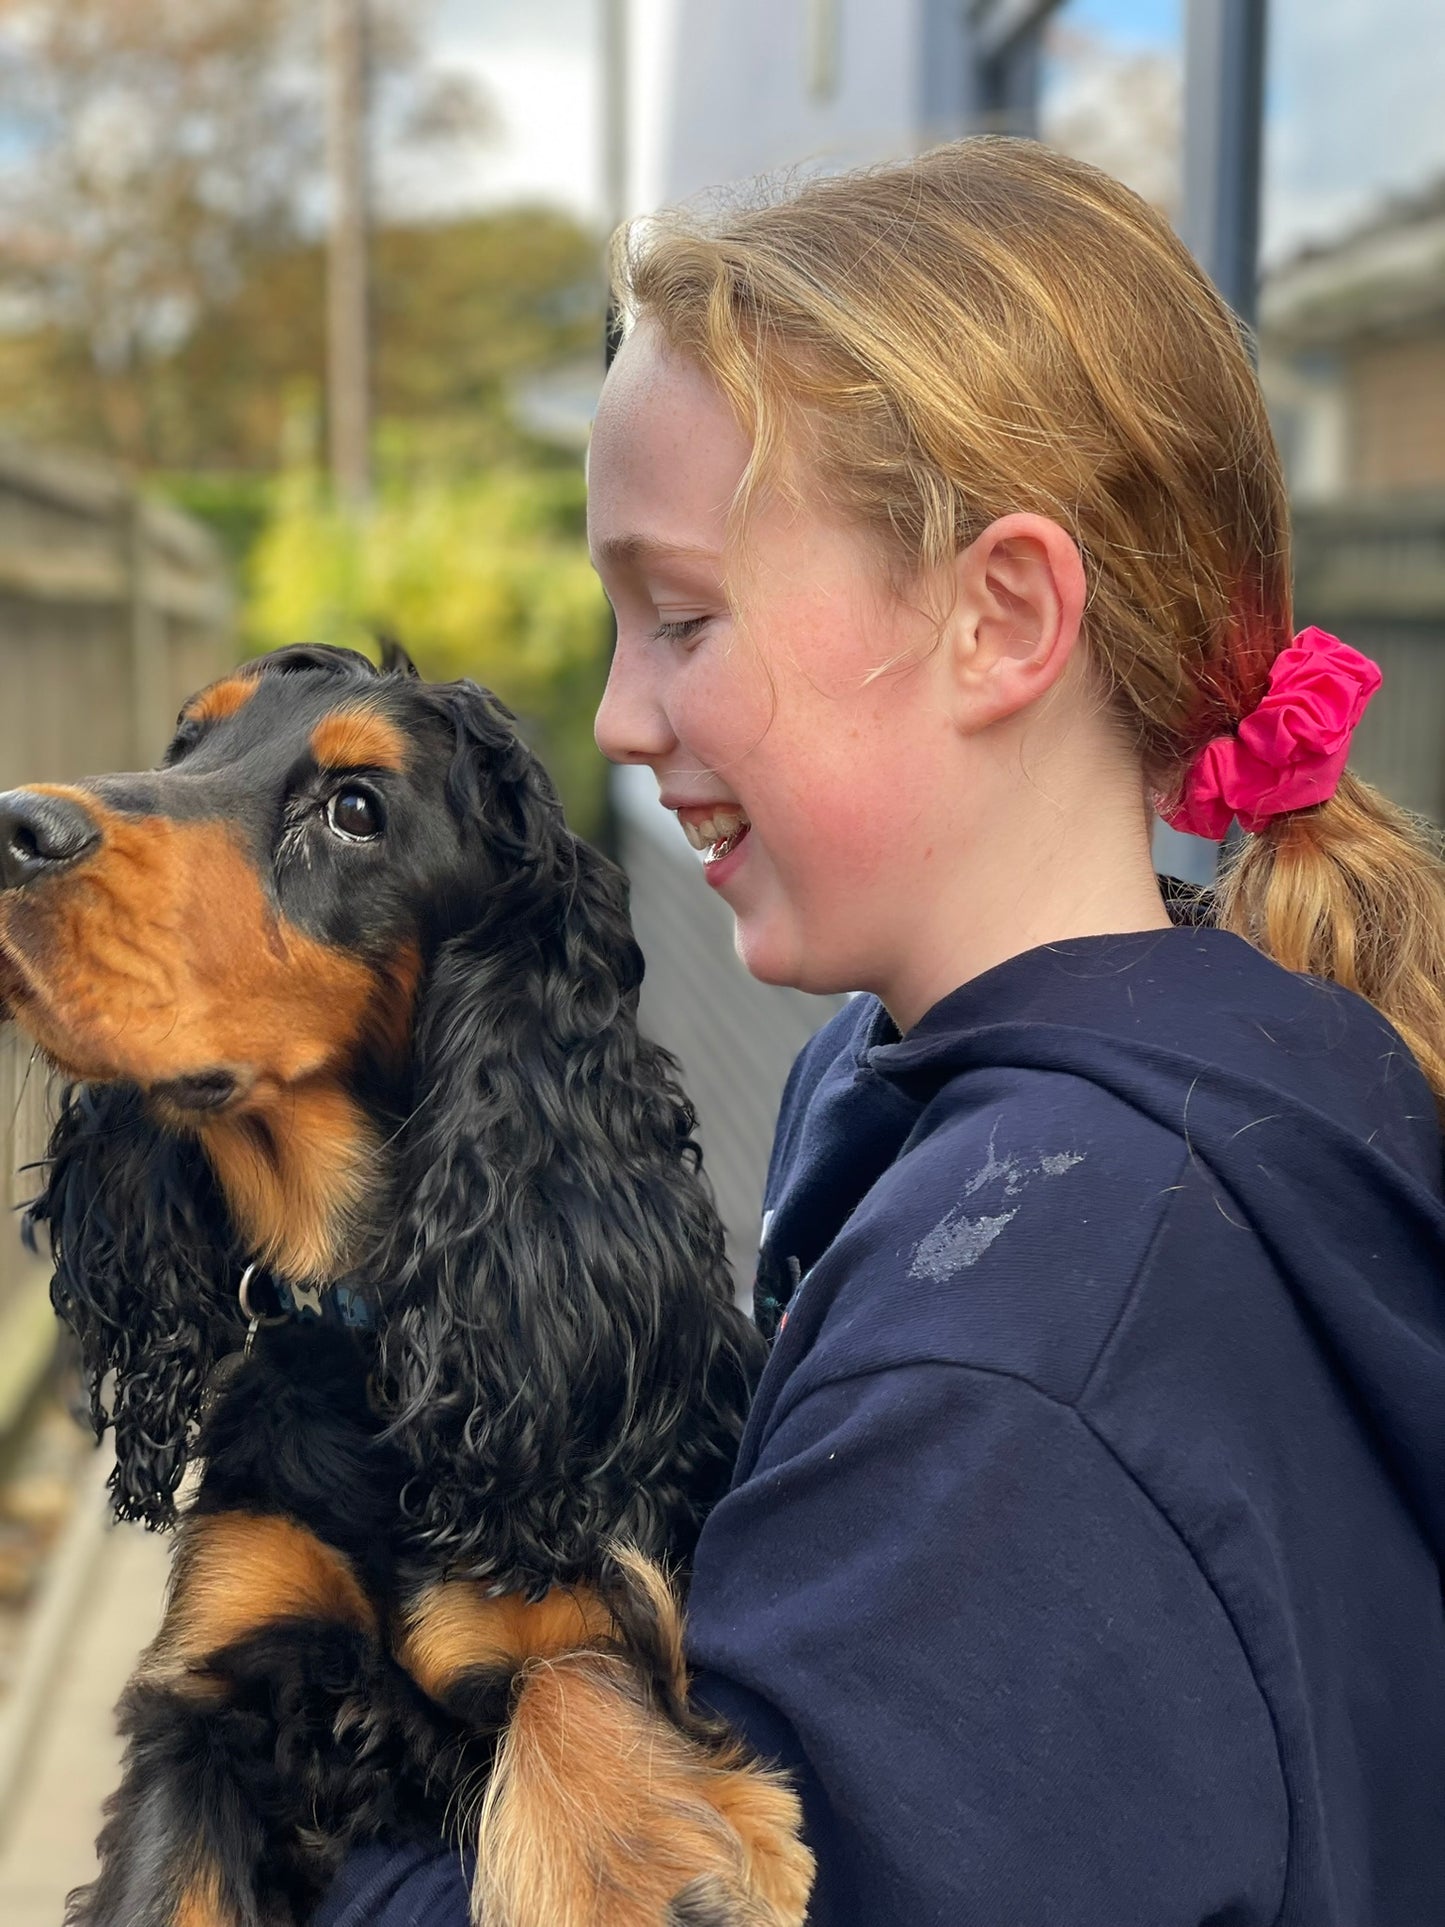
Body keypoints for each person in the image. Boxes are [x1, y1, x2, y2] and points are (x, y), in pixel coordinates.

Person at [317, 138, 1445, 1926]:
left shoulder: (1030, 1335)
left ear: (1001, 616)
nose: (617, 713)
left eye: (681, 615)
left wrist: (286, 1844)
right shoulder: (1109, 1074)